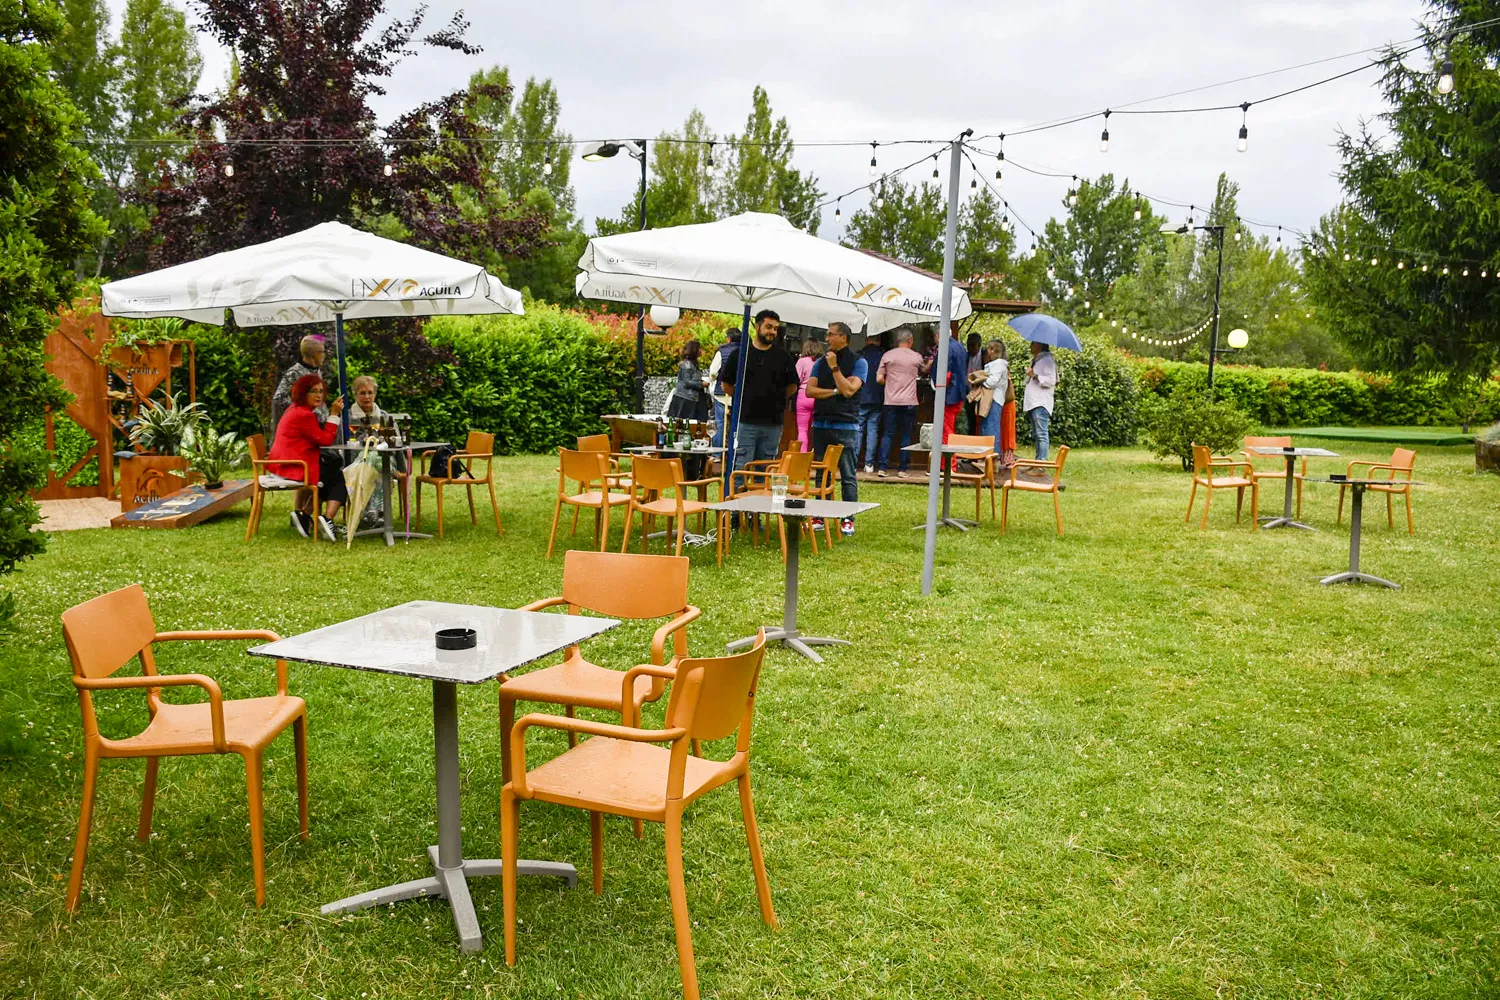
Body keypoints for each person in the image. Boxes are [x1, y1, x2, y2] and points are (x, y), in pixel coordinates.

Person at [267, 374, 346, 540]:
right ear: (303, 393)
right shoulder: (304, 415)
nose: (319, 395)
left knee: (332, 469)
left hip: (286, 463)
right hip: (294, 466)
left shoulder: (296, 409)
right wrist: (334, 414)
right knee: (337, 475)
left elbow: (317, 438)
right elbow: (325, 439)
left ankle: (306, 515)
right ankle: (326, 519)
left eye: (321, 391)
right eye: (313, 391)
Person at [805, 321, 866, 536]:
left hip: (846, 425)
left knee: (848, 475)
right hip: (821, 424)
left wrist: (834, 368)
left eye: (831, 335)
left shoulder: (859, 362)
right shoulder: (819, 362)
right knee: (822, 474)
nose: (827, 339)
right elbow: (810, 391)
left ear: (844, 337)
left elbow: (850, 390)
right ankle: (821, 514)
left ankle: (847, 518)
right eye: (827, 334)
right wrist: (834, 390)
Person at [721, 309, 797, 472]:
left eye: (775, 328)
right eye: (769, 327)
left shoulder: (783, 357)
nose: (772, 332)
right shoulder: (740, 354)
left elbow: (793, 386)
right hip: (745, 421)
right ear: (757, 327)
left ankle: (762, 498)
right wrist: (745, 396)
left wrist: (775, 397)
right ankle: (739, 498)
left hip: (773, 423)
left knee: (766, 470)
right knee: (741, 468)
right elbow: (725, 385)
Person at [875, 327, 922, 478]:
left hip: (891, 401)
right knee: (906, 435)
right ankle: (902, 469)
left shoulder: (888, 355)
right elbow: (924, 371)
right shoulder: (916, 357)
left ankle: (882, 468)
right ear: (910, 341)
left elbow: (879, 379)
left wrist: (889, 382)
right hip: (910, 401)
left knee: (888, 434)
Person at [271, 335, 330, 436]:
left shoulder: (316, 370)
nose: (324, 355)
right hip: (302, 432)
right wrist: (304, 412)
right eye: (322, 351)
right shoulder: (295, 373)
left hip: (319, 427)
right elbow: (278, 399)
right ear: (313, 354)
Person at [971, 340, 1015, 468]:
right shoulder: (997, 364)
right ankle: (987, 459)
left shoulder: (998, 364)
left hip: (994, 400)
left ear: (992, 350)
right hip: (992, 399)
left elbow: (992, 382)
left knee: (992, 429)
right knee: (986, 427)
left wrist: (981, 380)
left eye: (989, 349)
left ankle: (991, 460)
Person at [1024, 340, 1059, 467]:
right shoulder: (1038, 359)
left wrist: (1034, 375)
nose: (1031, 346)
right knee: (1037, 434)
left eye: (1033, 343)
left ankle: (1041, 464)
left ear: (1039, 345)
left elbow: (1051, 380)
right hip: (1034, 402)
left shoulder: (1047, 360)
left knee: (1042, 434)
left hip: (1040, 402)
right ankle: (1037, 463)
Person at [856, 331, 886, 473]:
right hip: (878, 397)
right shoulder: (883, 355)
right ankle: (869, 464)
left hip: (861, 396)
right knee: (873, 429)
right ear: (879, 341)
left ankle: (854, 461)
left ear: (867, 340)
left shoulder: (858, 355)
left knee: (859, 429)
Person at [937, 322, 969, 443]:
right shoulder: (960, 346)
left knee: (946, 431)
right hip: (958, 394)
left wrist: (938, 388)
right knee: (950, 428)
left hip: (949, 395)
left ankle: (949, 461)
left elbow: (946, 375)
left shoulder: (947, 348)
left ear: (939, 336)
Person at [707, 329, 739, 448]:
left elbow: (713, 372)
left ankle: (717, 453)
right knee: (737, 424)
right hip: (739, 393)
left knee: (720, 424)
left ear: (729, 338)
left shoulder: (722, 351)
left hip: (722, 392)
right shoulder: (746, 351)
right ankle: (733, 452)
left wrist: (714, 379)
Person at [666, 340, 709, 422]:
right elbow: (686, 382)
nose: (701, 351)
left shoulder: (692, 364)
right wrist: (701, 384)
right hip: (686, 398)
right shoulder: (687, 365)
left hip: (690, 397)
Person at [793, 338, 820, 452]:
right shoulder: (821, 362)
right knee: (818, 428)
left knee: (802, 430)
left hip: (803, 396)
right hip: (818, 396)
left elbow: (795, 379)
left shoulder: (802, 361)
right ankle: (817, 456)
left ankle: (802, 457)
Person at [964, 332, 984, 434]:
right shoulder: (966, 356)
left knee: (981, 419)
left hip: (981, 392)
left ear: (979, 345)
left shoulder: (984, 355)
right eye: (968, 345)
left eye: (973, 345)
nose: (970, 349)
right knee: (970, 419)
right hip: (969, 392)